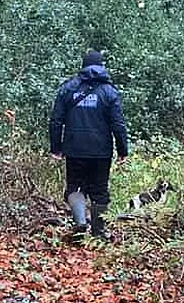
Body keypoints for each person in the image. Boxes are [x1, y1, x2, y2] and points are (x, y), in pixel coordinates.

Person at [49, 50, 128, 239]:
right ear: (102, 67)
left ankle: (81, 223)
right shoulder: (109, 92)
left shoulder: (68, 88)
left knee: (75, 187)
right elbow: (118, 124)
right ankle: (99, 234)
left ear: (83, 66)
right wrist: (122, 150)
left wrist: (56, 148)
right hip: (101, 151)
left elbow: (56, 121)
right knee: (99, 191)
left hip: (75, 149)